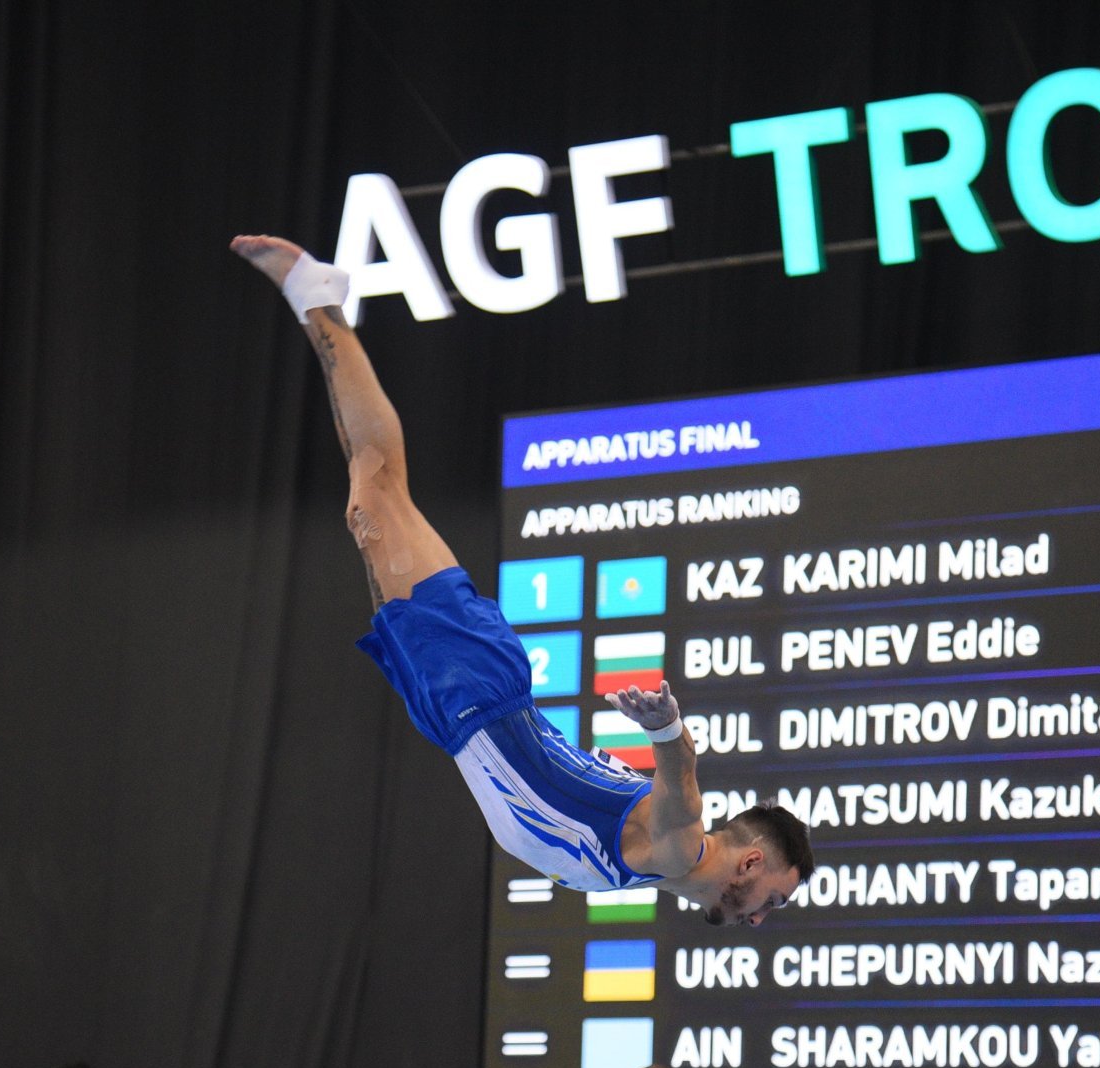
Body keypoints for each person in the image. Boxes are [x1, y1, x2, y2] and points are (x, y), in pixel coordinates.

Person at [230, 236, 814, 926]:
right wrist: (667, 732)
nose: (756, 917)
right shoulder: (681, 850)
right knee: (373, 494)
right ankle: (315, 296)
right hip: (482, 691)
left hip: (455, 715)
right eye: (770, 899)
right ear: (750, 861)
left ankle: (317, 302)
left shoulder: (648, 868)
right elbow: (680, 786)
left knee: (371, 486)